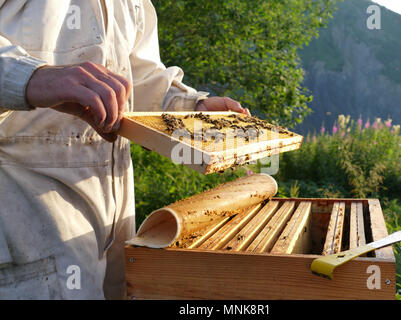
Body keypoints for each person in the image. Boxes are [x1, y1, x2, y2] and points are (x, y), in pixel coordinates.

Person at [0, 0, 249, 299]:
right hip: (21, 213)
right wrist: (29, 77)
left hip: (113, 216)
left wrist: (189, 108)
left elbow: (137, 77)